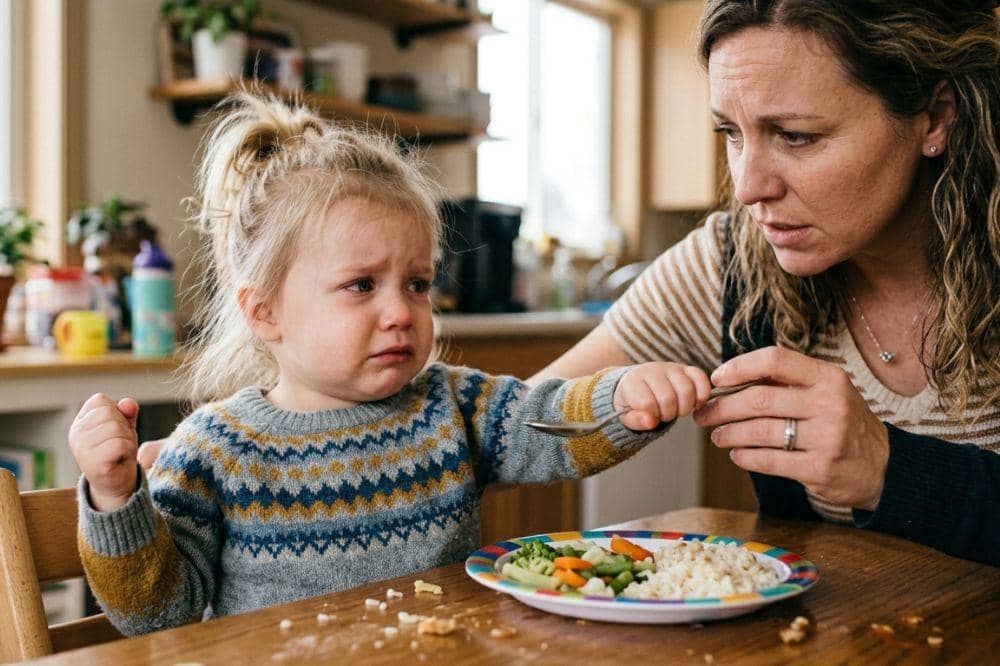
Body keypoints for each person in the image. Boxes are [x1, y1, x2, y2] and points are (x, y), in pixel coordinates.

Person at [68, 92, 714, 636]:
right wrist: (116, 498)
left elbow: (547, 424)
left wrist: (624, 397)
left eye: (417, 284)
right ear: (265, 312)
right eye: (361, 285)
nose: (401, 311)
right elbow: (156, 614)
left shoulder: (453, 405)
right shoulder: (214, 450)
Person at [533, 0, 999, 565]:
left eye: (796, 136)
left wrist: (887, 469)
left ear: (936, 117)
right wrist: (611, 399)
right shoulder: (728, 261)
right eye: (731, 132)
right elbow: (515, 425)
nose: (748, 187)